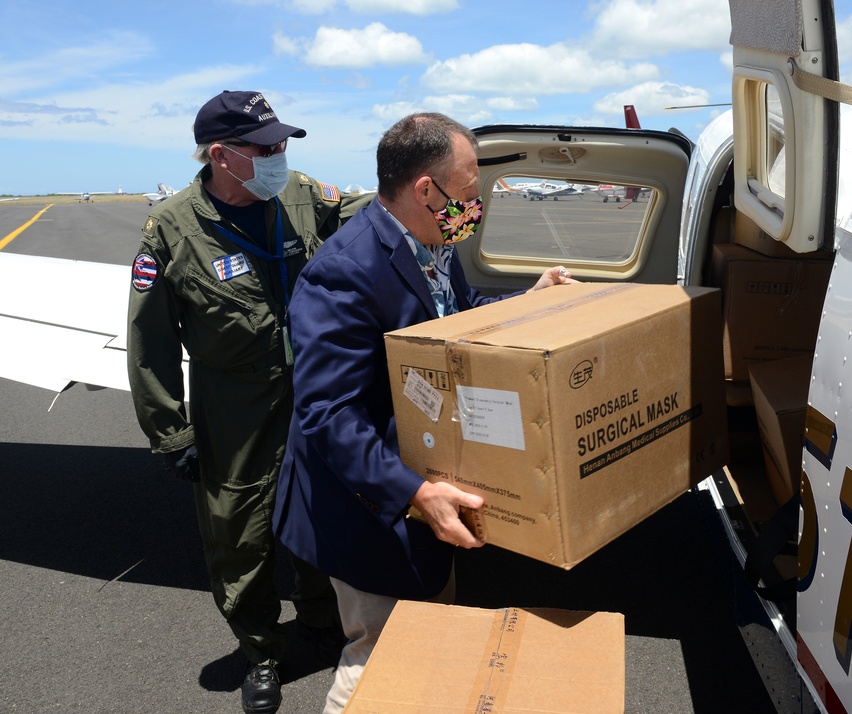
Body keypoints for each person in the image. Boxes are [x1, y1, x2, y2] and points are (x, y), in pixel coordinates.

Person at [271, 112, 576, 713]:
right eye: (468, 195)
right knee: (382, 657)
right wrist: (413, 492)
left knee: (429, 637)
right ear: (425, 191)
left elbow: (457, 318)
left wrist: (529, 300)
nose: (477, 205)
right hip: (370, 501)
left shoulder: (433, 244)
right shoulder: (345, 271)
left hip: (424, 482)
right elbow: (327, 413)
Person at [126, 90, 373, 714]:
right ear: (221, 155)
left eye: (283, 145)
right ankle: (261, 652)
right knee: (240, 533)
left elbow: (380, 225)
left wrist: (450, 208)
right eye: (265, 149)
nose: (279, 157)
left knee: (323, 512)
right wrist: (170, 432)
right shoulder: (173, 229)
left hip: (315, 396)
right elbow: (150, 344)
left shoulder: (304, 198)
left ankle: (324, 621)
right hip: (233, 404)